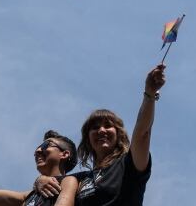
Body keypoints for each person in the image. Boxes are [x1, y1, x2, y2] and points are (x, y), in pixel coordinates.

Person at [36, 64, 166, 206]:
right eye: (95, 128)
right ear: (88, 139)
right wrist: (39, 181)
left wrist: (149, 94)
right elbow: (53, 183)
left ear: (119, 134)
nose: (101, 130)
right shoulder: (80, 179)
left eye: (108, 126)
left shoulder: (129, 163)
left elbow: (143, 133)